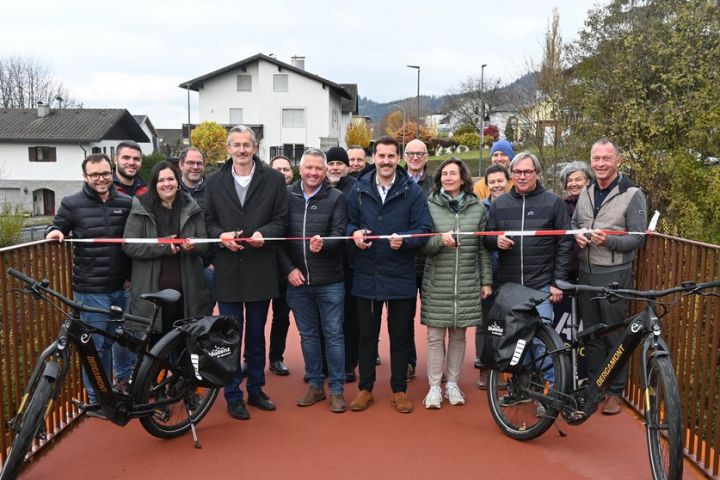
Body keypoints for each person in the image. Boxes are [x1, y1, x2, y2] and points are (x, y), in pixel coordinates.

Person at [205, 125, 288, 421]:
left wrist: (264, 233)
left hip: (260, 269)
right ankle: (232, 395)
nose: (241, 150)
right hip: (227, 271)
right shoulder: (213, 182)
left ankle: (256, 388)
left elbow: (282, 220)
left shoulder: (274, 180)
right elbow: (207, 221)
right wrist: (221, 235)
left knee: (255, 336)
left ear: (255, 148)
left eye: (247, 145)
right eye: (236, 145)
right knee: (229, 338)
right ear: (228, 149)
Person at [346, 136, 432, 414]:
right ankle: (366, 389)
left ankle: (398, 390)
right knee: (366, 336)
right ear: (374, 158)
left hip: (400, 275)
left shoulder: (412, 190)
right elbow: (347, 223)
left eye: (391, 156)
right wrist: (353, 234)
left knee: (400, 336)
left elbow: (423, 229)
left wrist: (405, 240)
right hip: (366, 274)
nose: (385, 161)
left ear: (399, 159)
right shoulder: (358, 189)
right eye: (381, 156)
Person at [45, 153, 132, 402]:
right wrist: (54, 232)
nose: (101, 179)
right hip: (91, 289)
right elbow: (57, 226)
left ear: (112, 172)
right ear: (85, 176)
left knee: (121, 340)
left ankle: (121, 384)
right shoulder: (72, 203)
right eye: (94, 175)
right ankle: (97, 396)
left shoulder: (126, 203)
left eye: (105, 173)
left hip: (122, 286)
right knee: (95, 345)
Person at [572, 139, 647, 415]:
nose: (601, 164)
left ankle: (615, 391)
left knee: (615, 334)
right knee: (591, 334)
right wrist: (577, 234)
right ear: (590, 161)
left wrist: (609, 243)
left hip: (615, 273)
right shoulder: (587, 191)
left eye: (606, 158)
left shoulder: (632, 193)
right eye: (596, 158)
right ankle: (595, 387)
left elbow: (638, 238)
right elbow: (574, 223)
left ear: (618, 161)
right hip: (585, 272)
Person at [421, 158, 492, 408]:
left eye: (453, 174)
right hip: (436, 281)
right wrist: (441, 240)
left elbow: (483, 249)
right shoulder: (428, 205)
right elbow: (423, 247)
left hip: (467, 281)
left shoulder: (478, 208)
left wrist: (486, 281)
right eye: (444, 174)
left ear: (463, 178)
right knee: (434, 336)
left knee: (459, 336)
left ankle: (452, 384)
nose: (448, 178)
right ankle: (433, 388)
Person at [280, 148, 348, 413]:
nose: (313, 173)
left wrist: (326, 244)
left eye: (318, 168)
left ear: (325, 171)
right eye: (309, 167)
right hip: (297, 282)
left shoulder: (336, 197)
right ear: (300, 169)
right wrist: (288, 270)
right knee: (308, 336)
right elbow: (279, 236)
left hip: (330, 281)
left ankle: (338, 391)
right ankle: (316, 385)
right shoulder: (286, 196)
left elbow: (339, 234)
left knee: (333, 336)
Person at [122, 161, 211, 336]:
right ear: (154, 184)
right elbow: (129, 245)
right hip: (153, 291)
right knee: (157, 347)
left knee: (185, 345)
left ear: (178, 182)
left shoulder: (191, 208)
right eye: (161, 180)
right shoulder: (140, 208)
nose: (166, 184)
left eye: (170, 179)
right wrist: (162, 246)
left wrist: (192, 245)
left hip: (188, 291)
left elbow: (205, 243)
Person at [484, 151, 573, 321]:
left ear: (536, 173)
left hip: (541, 287)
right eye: (517, 172)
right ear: (511, 174)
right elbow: (487, 238)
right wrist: (496, 241)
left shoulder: (553, 202)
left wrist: (558, 282)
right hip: (509, 288)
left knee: (541, 342)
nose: (522, 177)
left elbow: (565, 243)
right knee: (512, 342)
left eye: (527, 172)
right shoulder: (499, 204)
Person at [475, 164, 510, 388]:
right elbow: (479, 242)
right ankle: (484, 366)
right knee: (484, 322)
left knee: (507, 322)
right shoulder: (481, 208)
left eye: (500, 181)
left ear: (508, 181)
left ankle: (504, 367)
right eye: (492, 182)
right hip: (487, 271)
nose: (496, 185)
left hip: (510, 272)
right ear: (486, 185)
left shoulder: (514, 205)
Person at [326, 146, 359, 382]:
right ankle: (323, 365)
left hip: (350, 264)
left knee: (349, 316)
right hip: (324, 263)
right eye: (332, 163)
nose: (335, 167)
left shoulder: (356, 189)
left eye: (340, 163)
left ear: (346, 167)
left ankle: (348, 364)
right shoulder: (317, 187)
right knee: (325, 318)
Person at [403, 139, 432, 381]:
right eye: (410, 153)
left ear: (426, 156)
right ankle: (407, 362)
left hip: (433, 260)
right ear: (404, 157)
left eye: (419, 153)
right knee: (405, 316)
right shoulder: (398, 182)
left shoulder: (437, 183)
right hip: (405, 261)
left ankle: (436, 366)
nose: (415, 157)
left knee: (436, 317)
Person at [266, 154, 295, 376]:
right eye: (277, 169)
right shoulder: (263, 195)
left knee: (281, 316)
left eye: (285, 169)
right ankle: (249, 359)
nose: (282, 173)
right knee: (255, 319)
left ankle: (276, 357)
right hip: (263, 266)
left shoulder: (295, 195)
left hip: (286, 268)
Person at [560, 161, 594, 279]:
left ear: (588, 181)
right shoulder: (560, 205)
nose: (573, 184)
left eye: (578, 179)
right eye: (569, 180)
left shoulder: (595, 204)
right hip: (567, 266)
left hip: (591, 263)